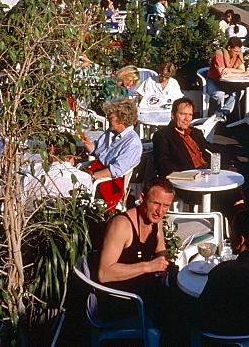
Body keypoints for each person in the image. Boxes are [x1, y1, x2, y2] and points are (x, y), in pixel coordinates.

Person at [96, 177, 179, 333]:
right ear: (142, 198)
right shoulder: (122, 225)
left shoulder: (156, 220)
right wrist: (148, 266)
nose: (160, 211)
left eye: (166, 206)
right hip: (120, 298)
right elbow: (104, 274)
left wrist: (163, 267)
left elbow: (160, 248)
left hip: (143, 289)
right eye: (156, 203)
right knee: (175, 315)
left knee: (185, 301)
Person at [80, 98, 143, 208]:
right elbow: (98, 151)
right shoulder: (111, 132)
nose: (107, 119)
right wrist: (88, 143)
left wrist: (91, 177)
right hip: (98, 168)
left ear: (122, 119)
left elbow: (116, 170)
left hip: (110, 180)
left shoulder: (132, 142)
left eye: (111, 117)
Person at [24, 132, 93, 205]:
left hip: (33, 215)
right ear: (73, 153)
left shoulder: (31, 175)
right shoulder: (85, 178)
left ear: (52, 149)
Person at [152, 97, 211, 176]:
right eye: (183, 114)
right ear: (173, 115)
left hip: (207, 172)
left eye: (190, 115)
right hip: (187, 178)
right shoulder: (163, 135)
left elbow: (210, 149)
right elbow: (163, 163)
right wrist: (187, 176)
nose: (187, 119)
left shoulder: (196, 133)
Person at [207, 37, 249, 117]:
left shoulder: (238, 55)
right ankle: (219, 115)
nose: (237, 53)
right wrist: (241, 74)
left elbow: (242, 69)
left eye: (238, 51)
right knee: (219, 95)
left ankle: (223, 113)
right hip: (214, 81)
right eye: (235, 51)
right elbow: (223, 75)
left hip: (228, 82)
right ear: (229, 48)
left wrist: (230, 70)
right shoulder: (219, 54)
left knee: (238, 92)